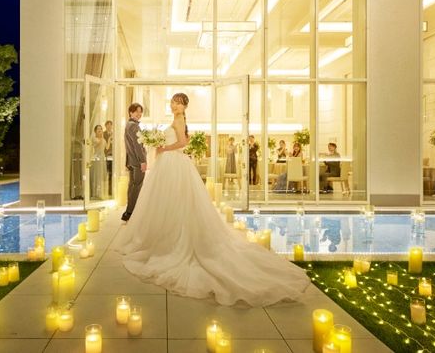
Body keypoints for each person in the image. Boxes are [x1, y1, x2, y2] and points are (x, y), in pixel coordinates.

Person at [115, 93, 310, 306]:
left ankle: (174, 240)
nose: (175, 105)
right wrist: (161, 144)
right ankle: (168, 235)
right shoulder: (178, 119)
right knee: (170, 203)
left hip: (173, 162)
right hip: (170, 163)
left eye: (178, 103)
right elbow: (185, 139)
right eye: (173, 102)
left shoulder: (179, 119)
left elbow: (182, 142)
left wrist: (163, 147)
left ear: (184, 106)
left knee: (176, 201)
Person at [121, 103, 146, 221]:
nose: (139, 114)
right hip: (137, 161)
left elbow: (129, 145)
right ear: (130, 112)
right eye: (136, 111)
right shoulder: (134, 126)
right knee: (136, 185)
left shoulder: (128, 124)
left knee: (132, 185)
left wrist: (128, 162)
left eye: (140, 112)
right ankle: (130, 212)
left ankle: (128, 211)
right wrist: (143, 161)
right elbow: (137, 146)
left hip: (131, 161)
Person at [90, 124, 107, 198]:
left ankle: (101, 193)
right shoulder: (94, 139)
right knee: (96, 175)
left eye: (101, 129)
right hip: (96, 158)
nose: (100, 130)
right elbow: (98, 144)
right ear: (95, 131)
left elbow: (106, 147)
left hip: (102, 158)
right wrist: (101, 137)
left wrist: (109, 139)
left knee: (102, 175)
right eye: (98, 129)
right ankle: (95, 193)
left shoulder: (103, 140)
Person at [103, 120, 114, 196]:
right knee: (105, 173)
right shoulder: (103, 134)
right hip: (105, 155)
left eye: (110, 125)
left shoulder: (114, 134)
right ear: (106, 126)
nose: (109, 126)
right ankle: (104, 190)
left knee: (111, 174)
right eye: (108, 125)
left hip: (113, 156)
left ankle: (110, 191)